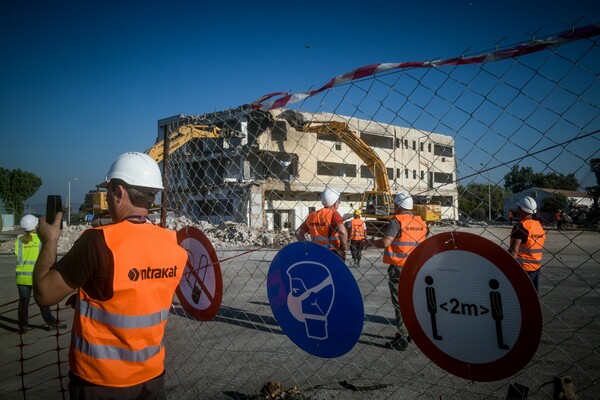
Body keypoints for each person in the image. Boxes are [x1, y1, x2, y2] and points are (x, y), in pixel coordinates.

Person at [33, 152, 188, 399]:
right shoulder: (174, 246)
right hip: (151, 379)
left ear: (120, 192)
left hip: (100, 382)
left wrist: (50, 240)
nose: (106, 198)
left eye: (108, 192)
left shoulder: (98, 242)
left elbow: (43, 294)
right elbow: (137, 294)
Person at [366, 192, 427, 350]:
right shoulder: (421, 221)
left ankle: (402, 336)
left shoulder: (397, 221)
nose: (393, 207)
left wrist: (371, 243)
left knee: (399, 301)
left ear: (399, 206)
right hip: (416, 266)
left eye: (394, 204)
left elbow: (386, 242)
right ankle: (411, 332)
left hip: (399, 267)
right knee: (412, 300)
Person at [15, 214, 67, 334]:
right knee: (44, 302)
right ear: (35, 225)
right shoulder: (41, 240)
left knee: (23, 303)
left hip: (22, 277)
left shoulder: (18, 241)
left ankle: (23, 326)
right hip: (37, 277)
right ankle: (51, 323)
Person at [295, 187, 348, 260]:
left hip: (315, 252)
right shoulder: (334, 214)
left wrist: (307, 246)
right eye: (338, 201)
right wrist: (344, 249)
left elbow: (298, 233)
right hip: (331, 253)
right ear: (335, 203)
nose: (339, 203)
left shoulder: (312, 215)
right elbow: (342, 232)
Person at [508, 196, 546, 292]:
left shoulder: (520, 226)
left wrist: (508, 268)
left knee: (520, 296)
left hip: (522, 269)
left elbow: (513, 251)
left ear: (521, 210)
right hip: (536, 268)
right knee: (531, 296)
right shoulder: (538, 225)